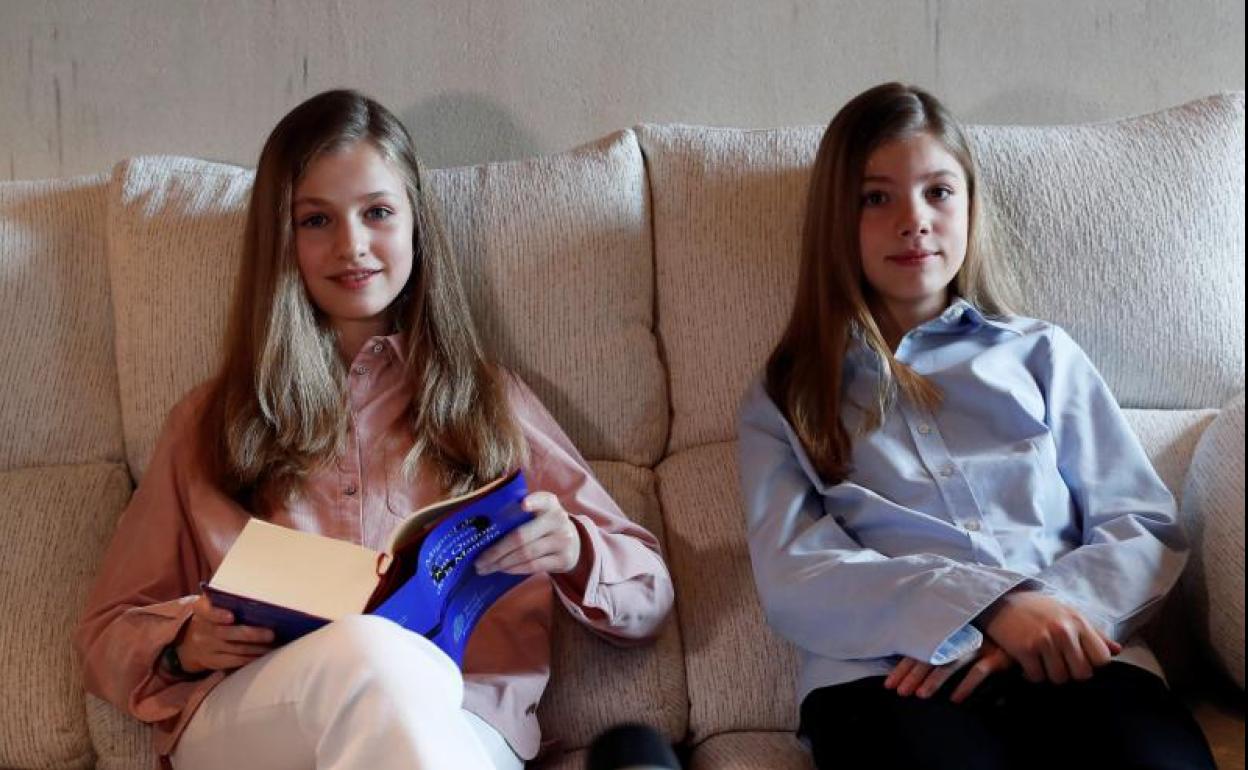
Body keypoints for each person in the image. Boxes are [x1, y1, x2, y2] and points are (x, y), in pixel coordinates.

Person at [74, 89, 674, 770]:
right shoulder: (209, 421)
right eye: (316, 220)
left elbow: (649, 595)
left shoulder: (488, 402)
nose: (352, 246)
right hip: (258, 721)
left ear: (415, 223)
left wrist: (576, 549)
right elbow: (104, 636)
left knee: (395, 676)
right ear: (281, 237)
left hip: (463, 724)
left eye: (378, 213)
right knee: (369, 651)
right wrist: (184, 643)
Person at [737, 82, 1215, 770]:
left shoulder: (1041, 353)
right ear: (836, 220)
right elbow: (796, 575)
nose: (914, 220)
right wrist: (985, 609)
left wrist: (1041, 613)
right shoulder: (785, 392)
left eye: (938, 192)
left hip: (1075, 653)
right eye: (877, 198)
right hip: (892, 675)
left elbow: (1140, 520)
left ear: (969, 204)